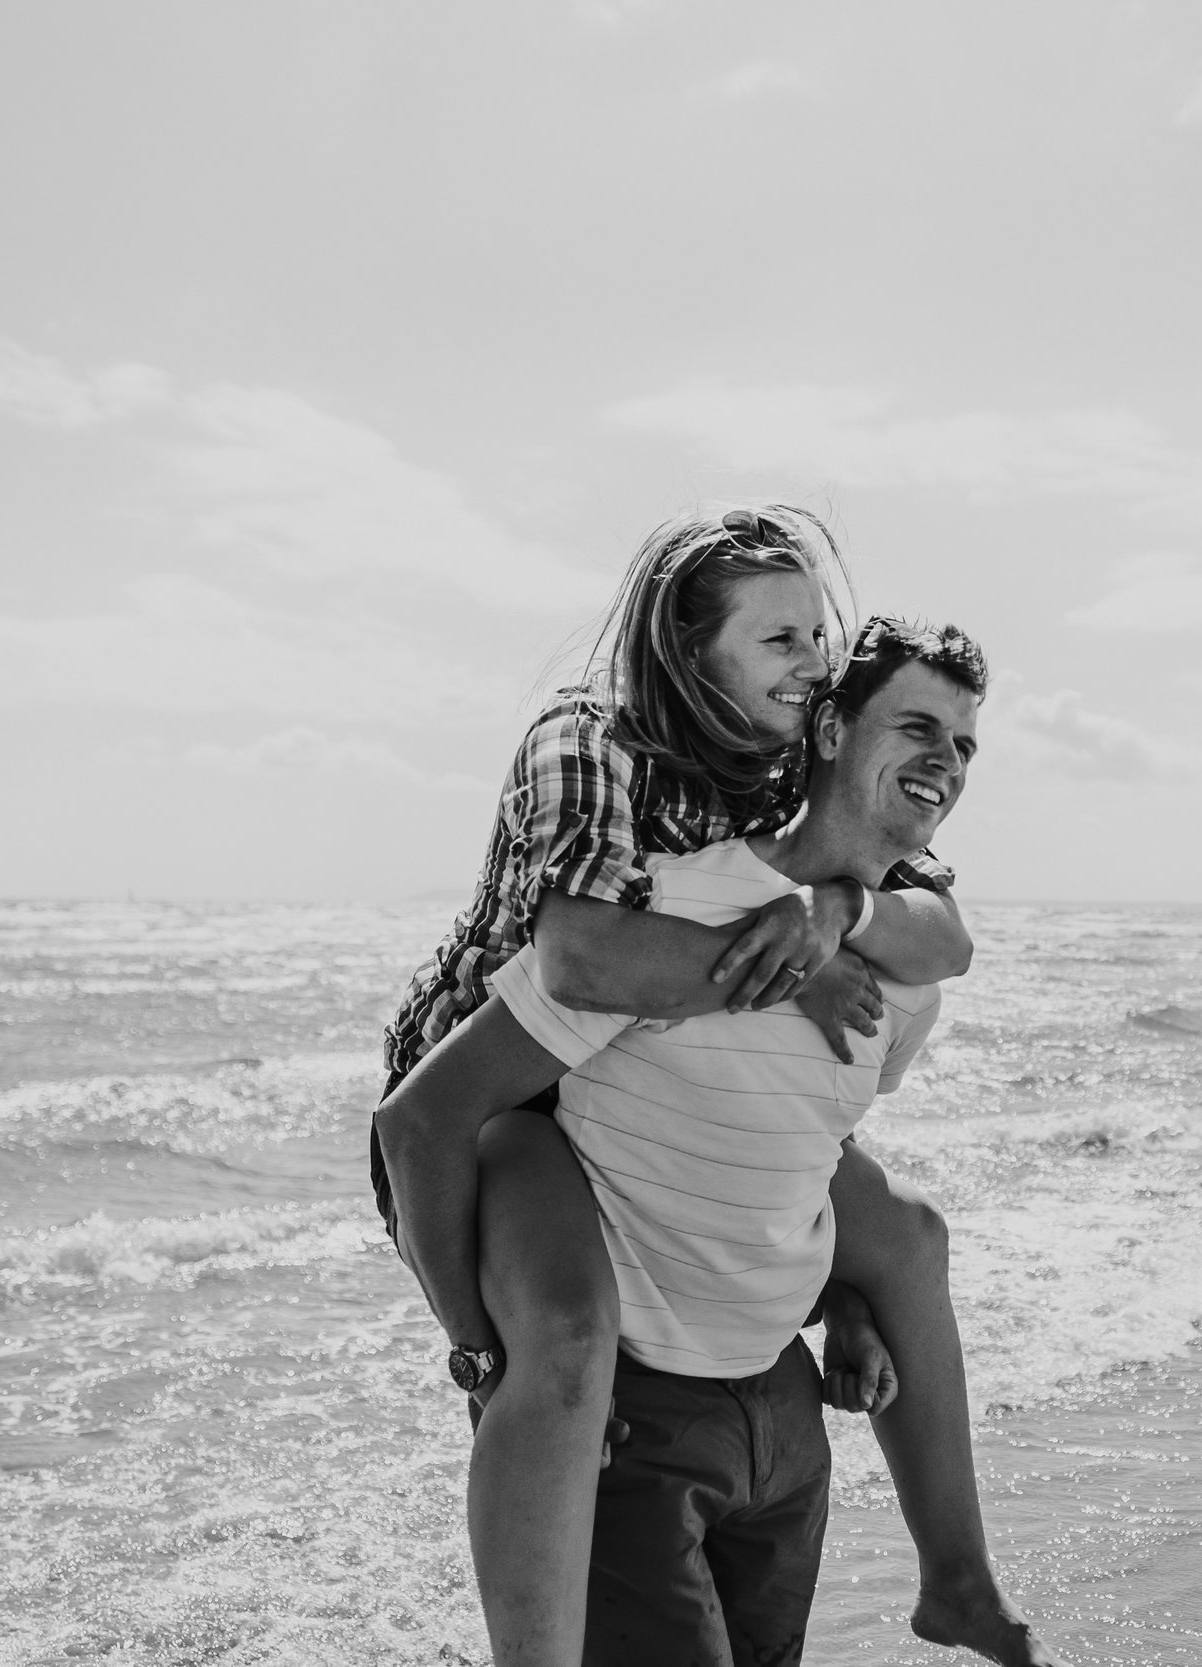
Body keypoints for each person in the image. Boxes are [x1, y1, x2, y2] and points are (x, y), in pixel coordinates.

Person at [372, 508, 1050, 1666]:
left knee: (906, 1236)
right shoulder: (591, 749)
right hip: (492, 1102)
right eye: (780, 638)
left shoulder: (786, 793)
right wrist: (475, 1349)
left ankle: (960, 1580)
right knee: (569, 1342)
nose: (810, 661)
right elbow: (575, 968)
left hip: (635, 1076)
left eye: (816, 637)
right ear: (693, 653)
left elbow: (911, 957)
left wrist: (835, 920)